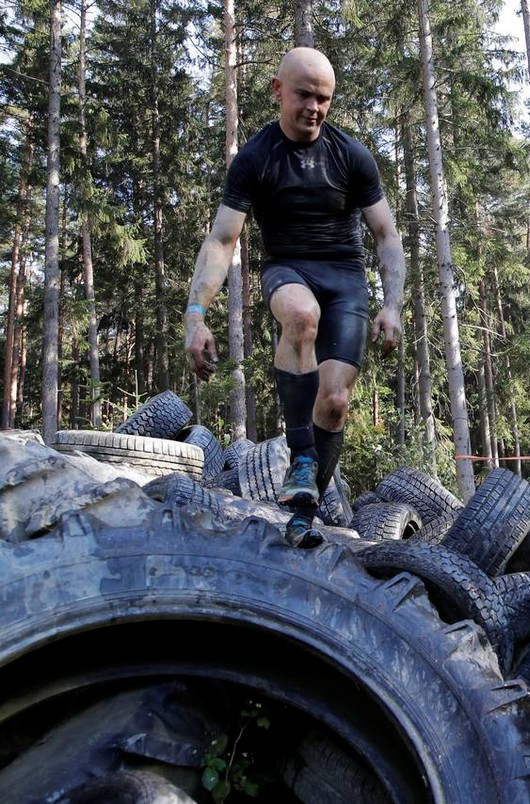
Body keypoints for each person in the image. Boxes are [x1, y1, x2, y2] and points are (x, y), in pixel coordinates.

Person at [183, 46, 405, 548]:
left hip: (345, 275)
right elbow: (222, 240)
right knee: (301, 317)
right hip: (288, 268)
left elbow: (386, 235)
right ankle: (301, 456)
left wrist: (392, 304)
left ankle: (305, 510)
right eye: (303, 94)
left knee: (335, 402)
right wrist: (196, 314)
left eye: (323, 98)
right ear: (278, 90)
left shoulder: (351, 155)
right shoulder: (256, 158)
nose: (313, 107)